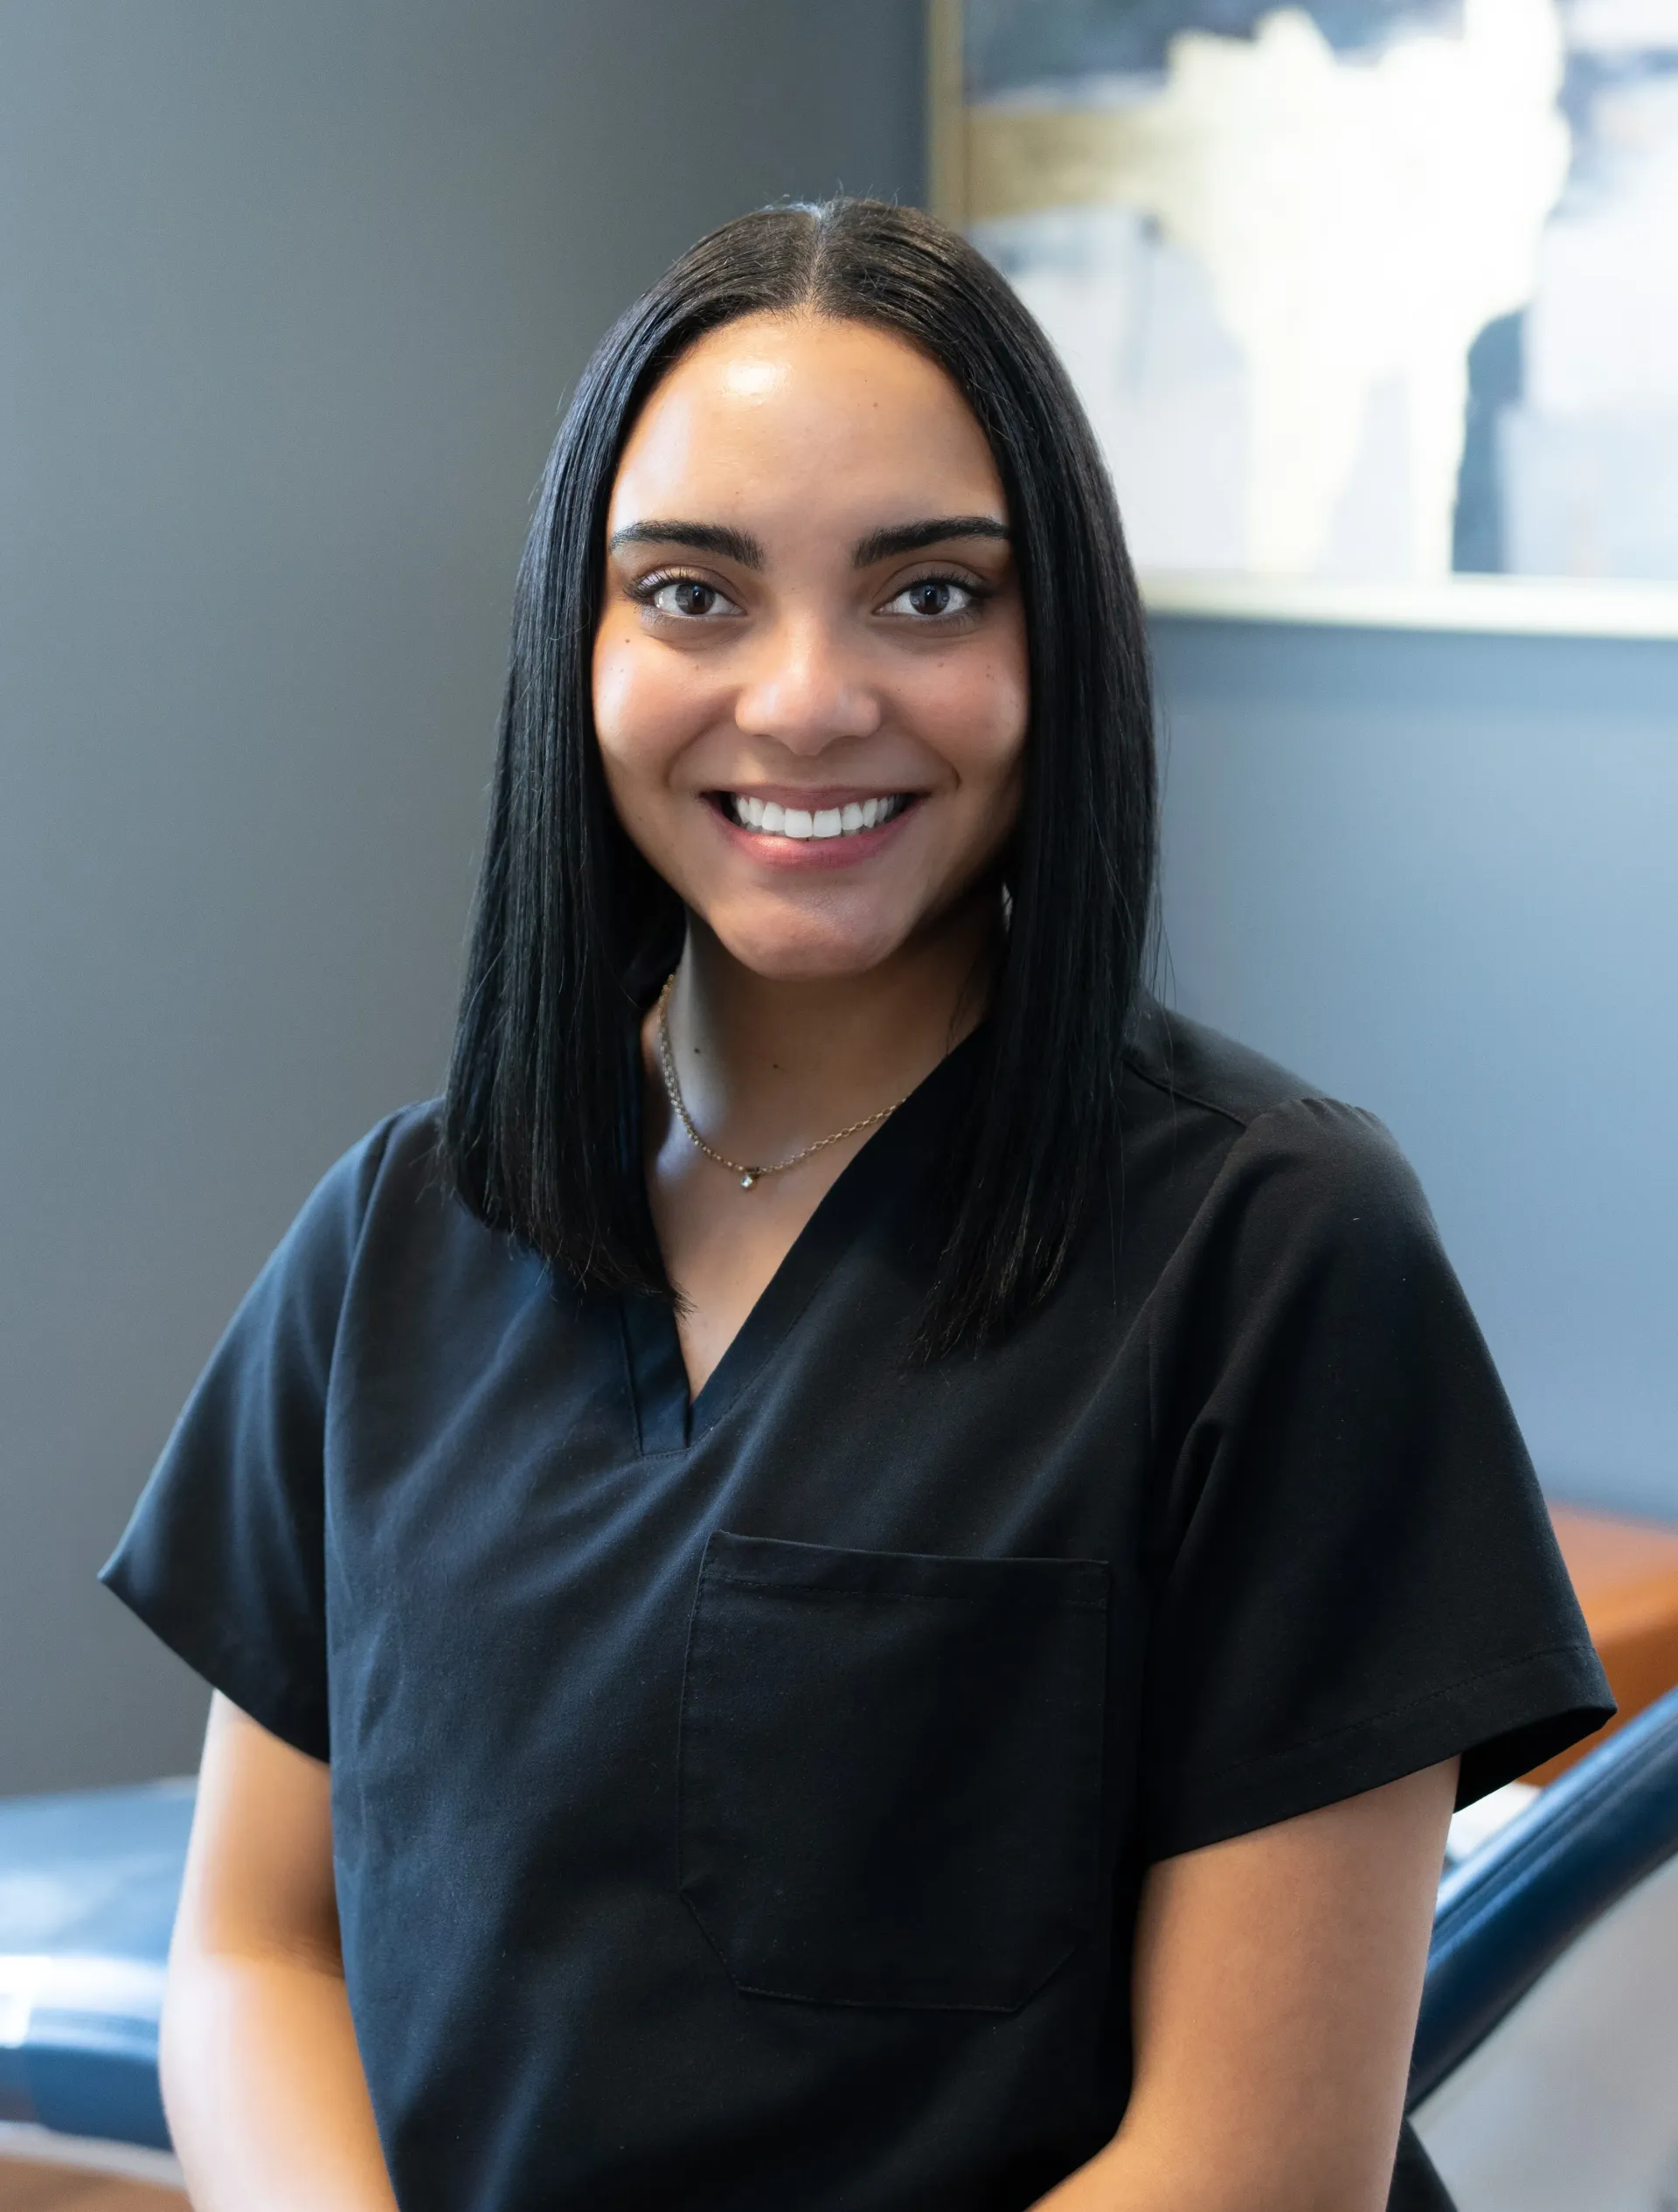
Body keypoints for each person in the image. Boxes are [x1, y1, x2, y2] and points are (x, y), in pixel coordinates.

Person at [103, 198, 1611, 2212]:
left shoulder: (1273, 1248)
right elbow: (257, 1941)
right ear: (583, 642)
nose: (808, 701)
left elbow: (1252, 2163)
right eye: (695, 594)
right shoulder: (400, 1233)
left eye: (926, 595)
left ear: (1052, 638)